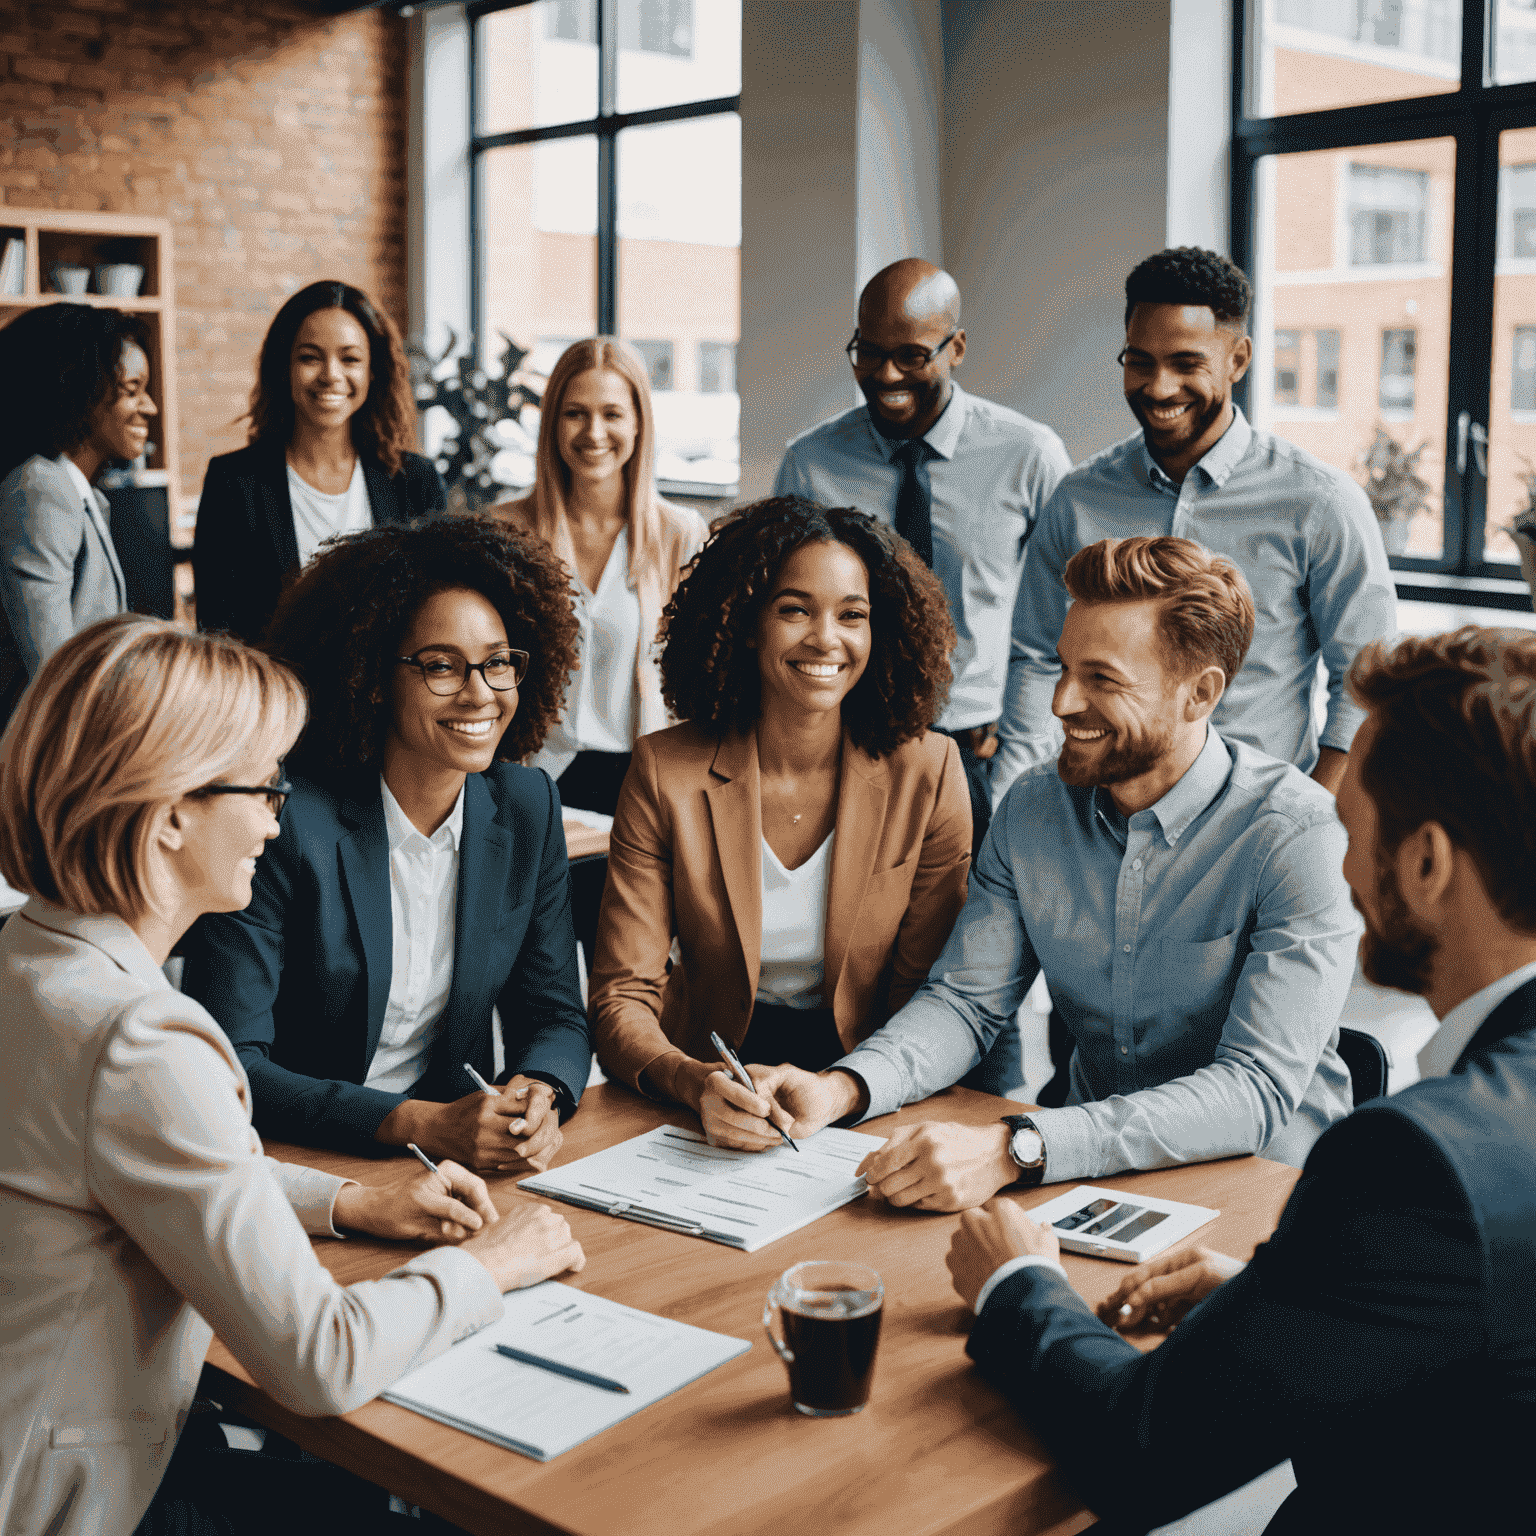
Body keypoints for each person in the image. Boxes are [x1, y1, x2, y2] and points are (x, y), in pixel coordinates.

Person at [943, 625, 1536, 1536]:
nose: (1337, 864)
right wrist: (1291, 1301)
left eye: (1352, 829)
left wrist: (1016, 1281)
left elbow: (1135, 1451)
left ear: (1425, 863)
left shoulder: (1413, 1161)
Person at [0, 614, 585, 1536]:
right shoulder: (143, 1040)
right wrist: (492, 1265)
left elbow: (147, 1153)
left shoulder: (33, 956)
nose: (280, 814)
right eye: (264, 785)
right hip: (89, 1497)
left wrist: (348, 1204)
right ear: (168, 815)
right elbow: (322, 1358)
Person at [712, 537, 1357, 1198]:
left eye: (1101, 680)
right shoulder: (1034, 808)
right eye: (1064, 668)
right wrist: (839, 1088)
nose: (1061, 703)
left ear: (1199, 694)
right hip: (1081, 1176)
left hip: (1268, 1189)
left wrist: (1020, 1146)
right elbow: (967, 1004)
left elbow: (1254, 1091)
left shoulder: (1297, 835)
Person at [182, 515, 592, 1168]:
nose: (480, 693)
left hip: (459, 1165)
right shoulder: (283, 821)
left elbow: (555, 1017)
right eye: (441, 667)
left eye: (497, 664)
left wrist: (536, 1096)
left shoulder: (526, 806)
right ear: (372, 675)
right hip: (300, 1160)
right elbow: (233, 1060)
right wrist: (416, 1123)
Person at [589, 496, 971, 1146]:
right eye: (795, 610)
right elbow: (622, 994)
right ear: (745, 623)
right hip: (709, 1077)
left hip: (874, 1080)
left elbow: (929, 997)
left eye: (853, 616)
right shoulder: (665, 770)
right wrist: (691, 1081)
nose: (826, 638)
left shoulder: (929, 772)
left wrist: (854, 1089)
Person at [997, 247, 1396, 804]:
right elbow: (1036, 658)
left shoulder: (1320, 503)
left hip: (1254, 821)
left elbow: (1365, 681)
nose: (1159, 388)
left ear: (1237, 359)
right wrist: (1014, 795)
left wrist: (1308, 814)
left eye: (1187, 364)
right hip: (1100, 816)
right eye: (1140, 362)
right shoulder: (1078, 500)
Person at [773, 258, 1071, 856]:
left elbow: (1065, 621)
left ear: (956, 346)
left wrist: (1017, 757)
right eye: (868, 351)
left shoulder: (1029, 456)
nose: (885, 374)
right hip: (846, 746)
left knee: (972, 944)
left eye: (911, 355)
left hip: (978, 753)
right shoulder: (810, 464)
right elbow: (781, 614)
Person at [487, 338, 708, 972]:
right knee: (536, 977)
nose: (594, 432)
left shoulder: (679, 535)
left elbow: (698, 683)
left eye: (613, 413)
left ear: (639, 423)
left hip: (638, 786)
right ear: (552, 421)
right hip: (535, 781)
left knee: (633, 979)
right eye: (575, 413)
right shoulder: (503, 531)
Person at [192, 279, 447, 647]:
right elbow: (218, 631)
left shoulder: (415, 482)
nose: (330, 375)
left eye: (350, 359)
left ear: (373, 370)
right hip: (277, 699)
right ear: (284, 367)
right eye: (310, 357)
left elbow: (437, 618)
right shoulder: (233, 483)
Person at [0, 302, 154, 722]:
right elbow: (55, 674)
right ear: (77, 392)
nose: (150, 407)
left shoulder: (80, 496)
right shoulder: (41, 490)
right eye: (132, 390)